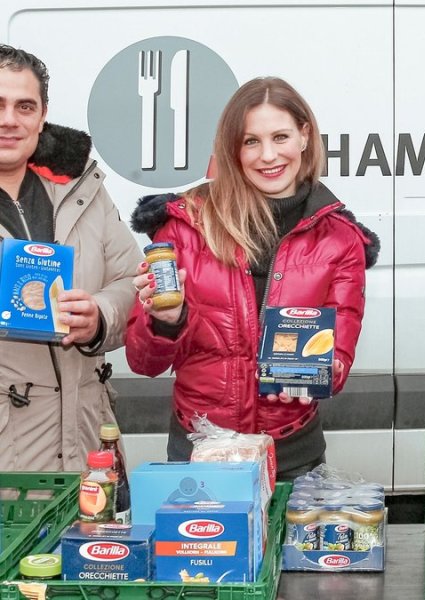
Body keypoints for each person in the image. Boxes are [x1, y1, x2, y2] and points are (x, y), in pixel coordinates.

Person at [125, 77, 379, 480]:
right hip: (200, 448)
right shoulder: (186, 226)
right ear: (233, 149)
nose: (268, 155)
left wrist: (321, 372)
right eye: (251, 142)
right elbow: (143, 362)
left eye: (280, 136)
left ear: (305, 137)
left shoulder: (340, 239)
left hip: (294, 454)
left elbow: (339, 357)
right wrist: (165, 321)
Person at [0, 45, 142, 471]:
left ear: (42, 116)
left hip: (88, 448)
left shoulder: (83, 189)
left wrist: (98, 316)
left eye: (24, 106)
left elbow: (131, 281)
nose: (9, 120)